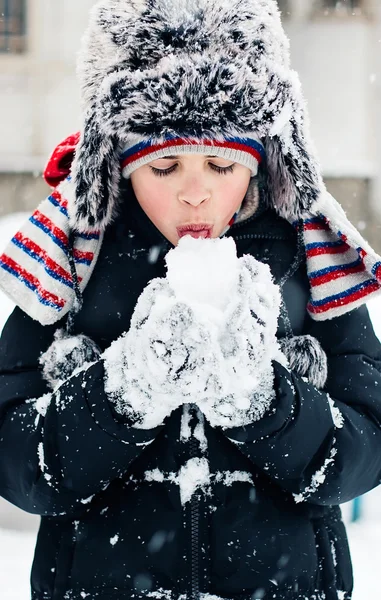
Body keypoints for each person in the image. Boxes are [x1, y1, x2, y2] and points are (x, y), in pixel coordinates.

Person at [0, 1, 381, 599]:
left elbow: (366, 449)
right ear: (119, 166)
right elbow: (15, 460)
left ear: (260, 160)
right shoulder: (69, 262)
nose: (197, 192)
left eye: (221, 163)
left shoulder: (310, 260)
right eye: (166, 166)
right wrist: (122, 391)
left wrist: (266, 404)